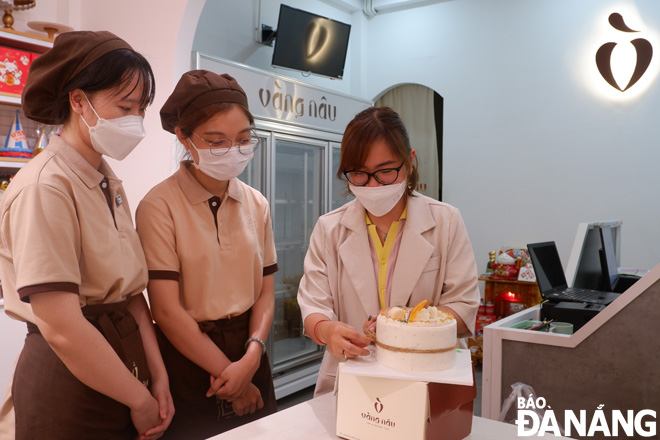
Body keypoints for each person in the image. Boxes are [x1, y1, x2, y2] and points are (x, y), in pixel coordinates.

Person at [0, 31, 173, 439]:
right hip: (69, 379)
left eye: (141, 109)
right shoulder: (45, 186)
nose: (137, 121)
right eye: (125, 106)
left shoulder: (106, 182)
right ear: (79, 101)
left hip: (125, 371)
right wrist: (140, 399)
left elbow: (131, 295)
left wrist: (158, 377)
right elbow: (62, 326)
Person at [297, 106, 480, 396]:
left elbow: (463, 307)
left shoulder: (445, 221)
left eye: (385, 171)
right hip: (354, 376)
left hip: (427, 377)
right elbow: (313, 306)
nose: (372, 185)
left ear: (409, 161)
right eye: (359, 174)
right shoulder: (329, 228)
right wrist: (327, 330)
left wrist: (403, 323)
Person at [135, 70, 278, 439]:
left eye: (244, 140)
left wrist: (251, 359)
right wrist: (235, 380)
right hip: (191, 361)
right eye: (217, 142)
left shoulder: (256, 203)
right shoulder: (159, 206)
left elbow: (265, 292)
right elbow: (166, 310)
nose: (233, 151)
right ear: (184, 136)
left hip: (250, 350)